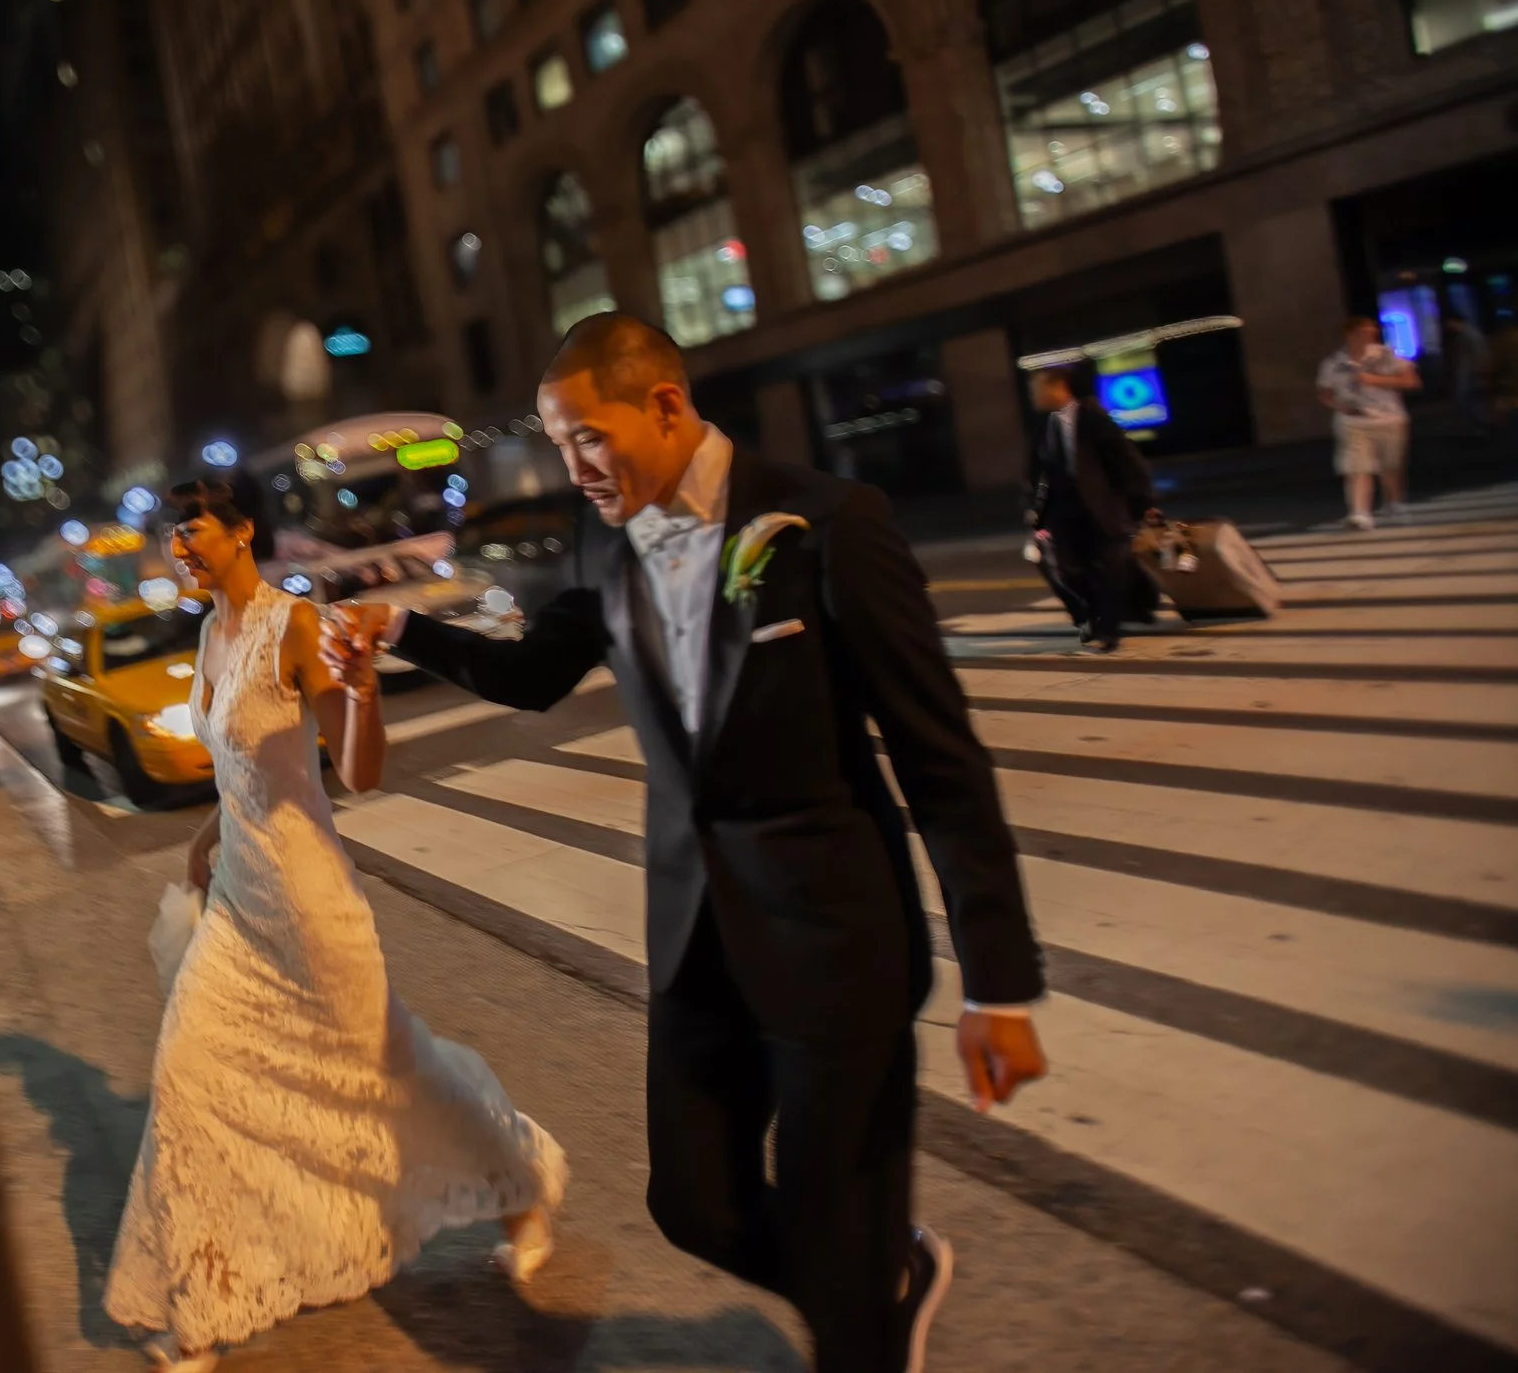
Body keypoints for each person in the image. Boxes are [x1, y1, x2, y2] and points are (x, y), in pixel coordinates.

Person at [327, 314, 1046, 1373]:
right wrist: (402, 631)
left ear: (665, 404)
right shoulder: (605, 537)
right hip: (698, 941)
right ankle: (879, 1278)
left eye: (587, 437)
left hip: (833, 942)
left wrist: (999, 983)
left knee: (831, 1223)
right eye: (558, 443)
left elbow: (941, 756)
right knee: (693, 1202)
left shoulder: (828, 521)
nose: (573, 467)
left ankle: (860, 1309)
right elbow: (534, 674)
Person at [105, 479, 564, 1373]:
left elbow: (355, 776)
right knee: (188, 1075)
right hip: (240, 902)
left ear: (241, 530)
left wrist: (363, 694)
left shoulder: (296, 628)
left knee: (391, 1077)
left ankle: (521, 1185)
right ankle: (202, 1314)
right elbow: (244, 768)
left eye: (193, 529)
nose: (181, 549)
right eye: (171, 537)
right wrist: (207, 838)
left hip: (312, 907)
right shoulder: (209, 631)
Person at [1026, 361, 1156, 655]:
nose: (1033, 396)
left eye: (1038, 388)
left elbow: (1128, 462)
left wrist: (1143, 503)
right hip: (1063, 512)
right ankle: (1092, 615)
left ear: (1058, 387)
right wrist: (1034, 509)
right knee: (1065, 570)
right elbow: (1036, 473)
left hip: (1103, 508)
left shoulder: (1093, 418)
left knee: (1110, 570)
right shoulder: (1044, 426)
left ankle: (1108, 629)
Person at [1318, 316, 1419, 529]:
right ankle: (1360, 513)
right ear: (1349, 335)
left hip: (1388, 417)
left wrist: (1376, 380)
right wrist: (1339, 406)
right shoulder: (1333, 363)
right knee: (1357, 467)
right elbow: (1324, 393)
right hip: (1353, 420)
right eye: (1362, 333)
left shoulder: (1385, 355)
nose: (1368, 336)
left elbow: (1411, 381)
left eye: (1371, 333)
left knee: (1390, 466)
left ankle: (1394, 503)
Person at [1443, 308, 1490, 434]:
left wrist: (1480, 373)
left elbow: (1480, 355)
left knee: (1472, 401)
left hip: (1470, 374)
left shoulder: (1469, 334)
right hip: (1467, 373)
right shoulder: (1466, 334)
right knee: (1470, 401)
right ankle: (1479, 426)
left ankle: (1482, 426)